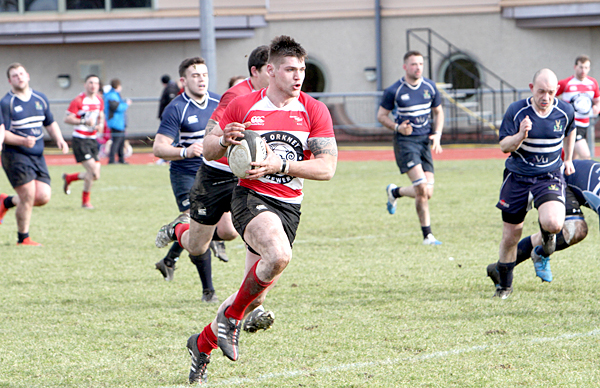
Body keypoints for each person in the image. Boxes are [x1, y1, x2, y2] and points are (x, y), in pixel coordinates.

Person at [183, 35, 338, 384]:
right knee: (279, 256)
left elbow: (327, 168)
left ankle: (201, 344)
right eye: (289, 69)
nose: (298, 76)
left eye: (301, 69)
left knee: (252, 297)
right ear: (270, 70)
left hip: (290, 207)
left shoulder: (314, 110)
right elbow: (208, 148)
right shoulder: (242, 104)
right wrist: (224, 139)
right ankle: (231, 320)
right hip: (250, 197)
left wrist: (279, 165)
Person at [155, 45, 272, 318]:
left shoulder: (272, 98)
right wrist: (203, 146)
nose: (202, 79)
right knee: (198, 244)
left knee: (243, 233)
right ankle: (180, 231)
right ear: (256, 71)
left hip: (242, 175)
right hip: (208, 175)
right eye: (273, 69)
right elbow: (206, 141)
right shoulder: (234, 96)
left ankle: (254, 305)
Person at [490, 68, 575, 299]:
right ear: (531, 88)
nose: (545, 97)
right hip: (517, 177)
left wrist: (568, 158)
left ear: (556, 91)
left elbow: (571, 130)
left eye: (550, 92)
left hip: (548, 177)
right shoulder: (517, 111)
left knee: (554, 223)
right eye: (540, 91)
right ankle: (504, 287)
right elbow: (504, 146)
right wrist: (520, 135)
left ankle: (545, 245)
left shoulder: (565, 111)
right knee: (511, 236)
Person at [152, 57, 224, 303]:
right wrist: (185, 151)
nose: (201, 78)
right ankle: (208, 292)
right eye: (195, 75)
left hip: (216, 173)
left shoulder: (218, 102)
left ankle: (170, 259)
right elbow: (159, 148)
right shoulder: (176, 108)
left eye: (204, 74)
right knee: (198, 229)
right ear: (183, 81)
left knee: (229, 231)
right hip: (186, 175)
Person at [487, 158, 600, 286]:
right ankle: (537, 254)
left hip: (578, 177)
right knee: (576, 230)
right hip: (564, 178)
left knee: (567, 233)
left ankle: (499, 268)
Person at [378, 50, 445, 245]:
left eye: (421, 64)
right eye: (414, 64)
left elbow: (439, 112)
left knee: (427, 192)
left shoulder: (430, 87)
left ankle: (395, 192)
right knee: (422, 187)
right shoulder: (395, 90)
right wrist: (398, 127)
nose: (418, 68)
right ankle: (428, 235)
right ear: (405, 67)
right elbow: (381, 116)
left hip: (424, 142)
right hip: (405, 143)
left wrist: (438, 135)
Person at [0, 63, 69, 245]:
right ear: (9, 80)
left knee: (42, 197)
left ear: (28, 75)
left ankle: (6, 202)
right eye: (15, 75)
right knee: (28, 195)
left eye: (21, 74)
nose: (19, 77)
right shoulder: (7, 103)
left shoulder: (40, 98)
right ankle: (23, 238)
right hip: (15, 154)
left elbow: (50, 122)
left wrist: (59, 139)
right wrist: (22, 141)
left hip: (37, 155)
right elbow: (3, 132)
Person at [61, 74, 105, 209]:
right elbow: (67, 119)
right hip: (80, 140)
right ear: (85, 85)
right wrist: (83, 121)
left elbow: (101, 116)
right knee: (92, 171)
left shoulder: (99, 100)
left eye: (96, 83)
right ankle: (85, 201)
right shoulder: (78, 100)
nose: (93, 86)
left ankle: (70, 178)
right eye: (90, 83)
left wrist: (100, 126)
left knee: (95, 175)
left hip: (92, 140)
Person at [556, 55, 600, 160]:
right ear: (575, 67)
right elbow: (551, 96)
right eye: (581, 67)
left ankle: (566, 174)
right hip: (572, 124)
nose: (583, 70)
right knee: (586, 156)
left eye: (586, 67)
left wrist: (596, 107)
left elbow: (597, 100)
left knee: (571, 158)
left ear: (589, 68)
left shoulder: (592, 83)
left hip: (585, 124)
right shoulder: (566, 83)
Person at [104, 78, 131, 164]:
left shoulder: (113, 94)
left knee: (121, 141)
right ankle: (112, 160)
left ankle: (121, 159)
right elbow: (116, 107)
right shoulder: (112, 95)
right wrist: (126, 104)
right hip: (116, 122)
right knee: (116, 141)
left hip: (118, 122)